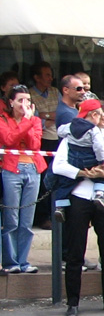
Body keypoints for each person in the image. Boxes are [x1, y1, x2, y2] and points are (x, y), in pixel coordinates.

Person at [52, 117, 104, 316]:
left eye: (102, 114)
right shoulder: (70, 139)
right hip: (79, 197)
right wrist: (83, 173)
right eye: (93, 115)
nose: (99, 118)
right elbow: (57, 166)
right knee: (75, 252)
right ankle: (73, 303)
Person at [0, 85, 45, 274]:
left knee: (26, 220)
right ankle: (11, 262)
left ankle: (23, 261)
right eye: (20, 100)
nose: (24, 104)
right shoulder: (3, 119)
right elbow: (9, 139)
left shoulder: (35, 120)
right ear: (11, 102)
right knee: (11, 219)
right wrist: (26, 122)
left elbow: (35, 143)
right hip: (11, 169)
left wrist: (27, 121)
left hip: (33, 169)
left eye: (27, 100)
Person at [51, 99, 104, 219]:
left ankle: (60, 206)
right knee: (101, 177)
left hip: (73, 159)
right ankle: (99, 195)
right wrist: (101, 162)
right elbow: (99, 147)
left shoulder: (70, 126)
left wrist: (69, 136)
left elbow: (60, 131)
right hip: (88, 159)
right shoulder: (94, 130)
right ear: (94, 115)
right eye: (100, 115)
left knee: (65, 182)